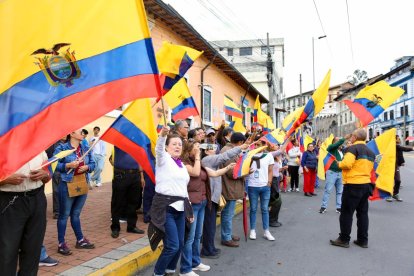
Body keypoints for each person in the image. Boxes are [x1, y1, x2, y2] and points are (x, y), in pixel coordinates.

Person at [180, 139, 235, 275]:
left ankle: (195, 262)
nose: (198, 149)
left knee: (198, 236)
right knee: (190, 237)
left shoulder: (200, 163)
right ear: (188, 150)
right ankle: (185, 268)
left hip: (203, 202)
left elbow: (214, 173)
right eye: (196, 147)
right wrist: (199, 157)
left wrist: (228, 168)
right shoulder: (185, 163)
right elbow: (195, 173)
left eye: (199, 147)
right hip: (192, 204)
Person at [150, 127, 193, 276]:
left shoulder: (180, 165)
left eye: (180, 144)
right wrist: (162, 136)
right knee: (172, 246)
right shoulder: (163, 160)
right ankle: (158, 272)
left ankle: (169, 270)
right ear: (167, 147)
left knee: (180, 244)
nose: (177, 146)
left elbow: (183, 189)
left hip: (181, 209)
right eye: (174, 144)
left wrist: (189, 209)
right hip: (165, 207)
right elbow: (159, 150)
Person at [0, 152, 50, 275]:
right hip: (9, 202)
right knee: (7, 252)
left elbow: (48, 174)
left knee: (33, 250)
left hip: (37, 198)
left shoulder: (39, 147)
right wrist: (3, 179)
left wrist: (45, 174)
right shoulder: (3, 142)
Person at [201, 132, 247, 256]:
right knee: (213, 223)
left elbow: (218, 173)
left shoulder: (211, 159)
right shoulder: (208, 159)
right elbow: (226, 162)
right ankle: (210, 248)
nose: (215, 148)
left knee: (212, 224)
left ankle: (210, 247)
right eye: (211, 147)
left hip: (215, 195)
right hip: (217, 194)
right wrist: (243, 170)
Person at [330, 129, 375, 249]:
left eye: (352, 136)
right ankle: (362, 240)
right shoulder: (371, 152)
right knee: (363, 214)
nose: (351, 138)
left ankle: (344, 239)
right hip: (366, 184)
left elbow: (346, 164)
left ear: (355, 137)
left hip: (353, 184)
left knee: (346, 213)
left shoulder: (352, 149)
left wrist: (338, 164)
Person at [55, 129, 96, 255]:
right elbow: (54, 165)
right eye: (80, 132)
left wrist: (87, 167)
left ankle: (80, 240)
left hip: (82, 182)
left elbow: (93, 163)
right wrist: (67, 166)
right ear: (71, 133)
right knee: (64, 215)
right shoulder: (61, 148)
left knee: (76, 214)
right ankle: (61, 244)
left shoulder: (85, 147)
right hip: (67, 184)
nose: (83, 134)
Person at [219, 133, 249, 248]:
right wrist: (246, 171)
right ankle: (226, 237)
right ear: (240, 142)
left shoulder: (230, 149)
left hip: (231, 186)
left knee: (228, 213)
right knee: (227, 213)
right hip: (229, 186)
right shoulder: (229, 151)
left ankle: (228, 234)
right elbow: (232, 172)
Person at [109, 147, 145, 238]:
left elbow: (140, 159)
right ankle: (115, 227)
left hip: (135, 174)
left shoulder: (137, 142)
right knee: (117, 202)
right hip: (121, 174)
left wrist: (141, 176)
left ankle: (131, 226)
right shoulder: (119, 139)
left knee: (133, 202)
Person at [247, 140, 275, 241]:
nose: (257, 146)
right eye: (256, 144)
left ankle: (266, 231)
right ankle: (252, 230)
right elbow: (244, 168)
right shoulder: (250, 155)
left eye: (260, 144)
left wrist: (269, 182)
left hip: (265, 186)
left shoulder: (269, 156)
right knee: (253, 209)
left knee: (264, 209)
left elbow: (270, 170)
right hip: (252, 186)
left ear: (264, 145)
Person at [319, 136, 346, 214]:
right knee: (328, 190)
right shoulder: (331, 148)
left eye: (339, 141)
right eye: (337, 141)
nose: (339, 142)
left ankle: (339, 207)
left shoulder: (342, 151)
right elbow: (335, 145)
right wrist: (343, 139)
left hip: (340, 173)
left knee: (340, 191)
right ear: (334, 142)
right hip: (332, 172)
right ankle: (323, 207)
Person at [386, 135, 413, 202]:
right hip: (389, 166)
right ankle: (388, 195)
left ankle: (395, 194)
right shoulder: (392, 146)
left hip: (396, 166)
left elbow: (400, 154)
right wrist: (412, 148)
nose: (399, 139)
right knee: (388, 181)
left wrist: (401, 162)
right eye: (397, 138)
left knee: (398, 180)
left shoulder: (397, 146)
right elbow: (404, 149)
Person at [46, 136, 67, 219]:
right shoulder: (54, 144)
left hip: (67, 169)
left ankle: (65, 210)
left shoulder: (69, 143)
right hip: (56, 169)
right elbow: (49, 155)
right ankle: (57, 212)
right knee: (56, 191)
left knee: (65, 190)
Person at [269, 143, 287, 227]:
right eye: (275, 145)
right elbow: (282, 150)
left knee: (276, 201)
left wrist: (282, 169)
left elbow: (276, 170)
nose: (277, 146)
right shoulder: (270, 156)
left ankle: (274, 219)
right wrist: (288, 140)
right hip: (272, 180)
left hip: (276, 179)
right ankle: (272, 220)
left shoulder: (275, 157)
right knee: (276, 201)